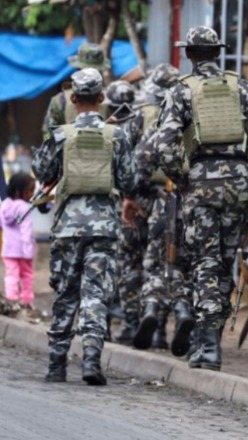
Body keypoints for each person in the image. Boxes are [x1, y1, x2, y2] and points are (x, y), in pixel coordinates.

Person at [151, 26, 248, 371]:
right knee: (227, 260)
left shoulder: (182, 91)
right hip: (239, 184)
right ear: (217, 52)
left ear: (189, 54)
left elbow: (164, 146)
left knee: (204, 262)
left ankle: (208, 346)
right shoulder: (240, 88)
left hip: (201, 183)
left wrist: (184, 180)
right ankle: (210, 341)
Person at [34, 68, 135, 385]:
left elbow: (40, 168)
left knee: (65, 294)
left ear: (74, 98)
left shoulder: (59, 133)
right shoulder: (116, 135)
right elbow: (129, 179)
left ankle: (56, 366)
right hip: (103, 225)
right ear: (102, 98)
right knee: (95, 295)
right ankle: (91, 360)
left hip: (67, 227)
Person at [130, 63, 195, 356]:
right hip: (196, 204)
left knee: (156, 264)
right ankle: (182, 311)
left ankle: (154, 315)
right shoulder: (201, 120)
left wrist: (139, 195)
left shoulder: (159, 123)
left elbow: (140, 166)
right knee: (184, 265)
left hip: (163, 203)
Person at [103, 80, 146, 345]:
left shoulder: (109, 132)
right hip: (143, 205)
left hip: (117, 207)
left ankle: (114, 325)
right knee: (145, 266)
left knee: (118, 265)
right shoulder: (142, 126)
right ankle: (141, 323)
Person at [41, 43, 111, 134]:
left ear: (78, 68)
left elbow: (47, 134)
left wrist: (62, 139)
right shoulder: (111, 98)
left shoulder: (60, 100)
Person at [0, 174, 37, 308]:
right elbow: (26, 230)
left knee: (11, 275)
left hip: (8, 249)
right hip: (23, 249)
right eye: (30, 190)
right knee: (27, 275)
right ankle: (26, 301)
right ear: (18, 191)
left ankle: (11, 299)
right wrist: (28, 251)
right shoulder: (24, 207)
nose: (32, 194)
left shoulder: (4, 205)